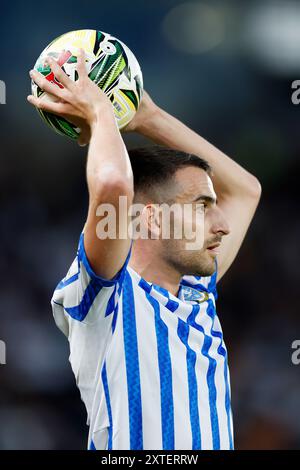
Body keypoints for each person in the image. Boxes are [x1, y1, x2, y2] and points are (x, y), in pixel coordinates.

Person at [27, 50, 261, 450]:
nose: (221, 224)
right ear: (151, 219)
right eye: (202, 206)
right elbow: (114, 187)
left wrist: (146, 117)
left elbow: (245, 190)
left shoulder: (196, 291)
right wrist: (101, 113)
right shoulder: (106, 297)